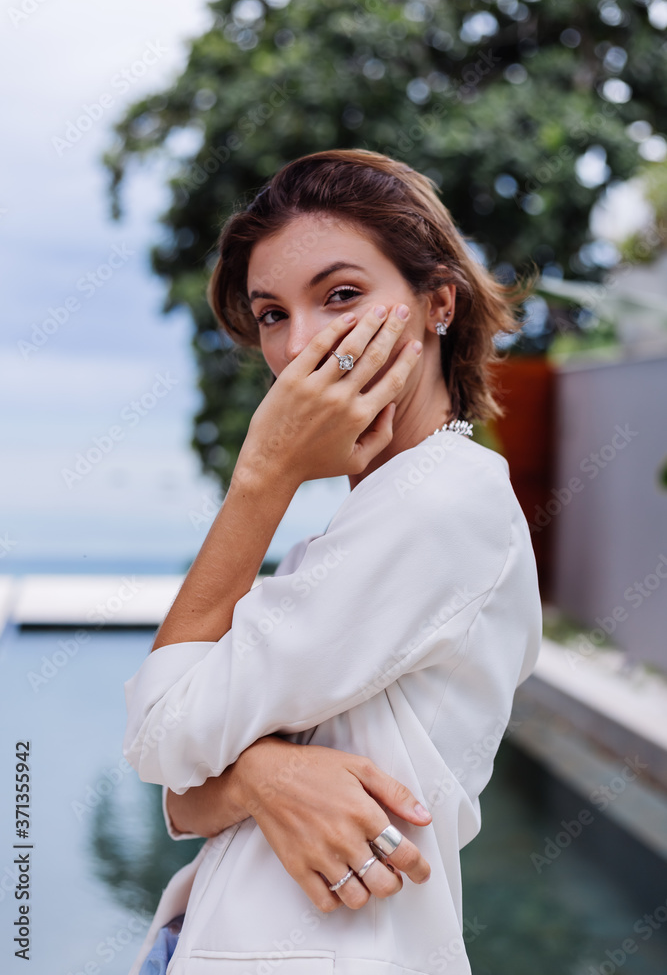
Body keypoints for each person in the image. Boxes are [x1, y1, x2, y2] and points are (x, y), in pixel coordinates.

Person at [122, 149, 543, 975]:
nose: (301, 345)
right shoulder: (379, 511)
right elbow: (185, 788)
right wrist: (256, 780)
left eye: (340, 295)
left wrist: (263, 477)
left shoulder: (439, 501)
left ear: (436, 305)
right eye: (271, 313)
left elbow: (159, 734)